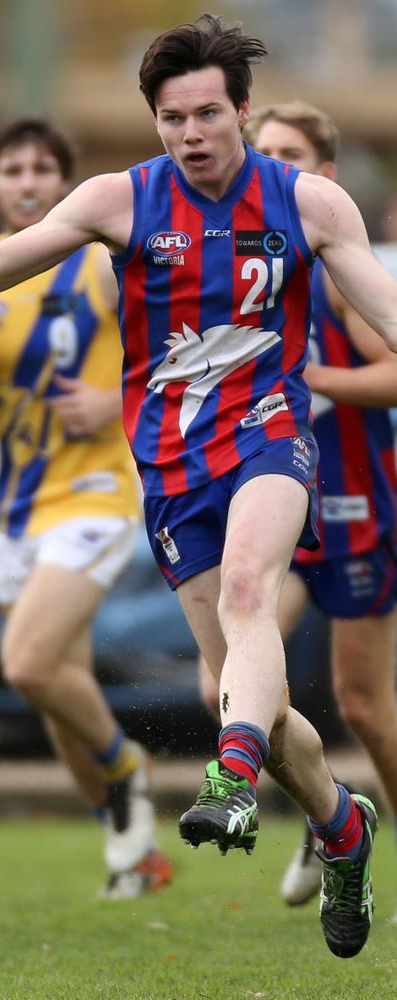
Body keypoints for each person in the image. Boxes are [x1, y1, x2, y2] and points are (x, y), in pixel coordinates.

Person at [0, 14, 397, 958]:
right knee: (268, 712)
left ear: (241, 110)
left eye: (206, 114)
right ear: (154, 121)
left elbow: (389, 314)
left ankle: (229, 778)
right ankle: (340, 824)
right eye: (170, 118)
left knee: (250, 592)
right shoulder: (120, 199)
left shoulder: (311, 205)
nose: (190, 134)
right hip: (169, 466)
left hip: (270, 431)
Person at [0, 117, 173, 900]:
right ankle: (135, 856)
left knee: (27, 663)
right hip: (18, 509)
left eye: (42, 169)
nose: (27, 181)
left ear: (62, 183)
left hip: (96, 493)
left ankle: (130, 769)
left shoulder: (96, 261)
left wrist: (115, 399)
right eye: (12, 169)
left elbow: (171, 355)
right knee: (60, 696)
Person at [245, 101, 397, 906]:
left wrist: (315, 386)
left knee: (366, 707)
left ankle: (350, 821)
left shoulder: (339, 270)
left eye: (290, 154)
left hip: (356, 508)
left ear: (324, 173)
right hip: (278, 503)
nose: (272, 166)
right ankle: (331, 812)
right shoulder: (241, 263)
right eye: (261, 151)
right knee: (229, 689)